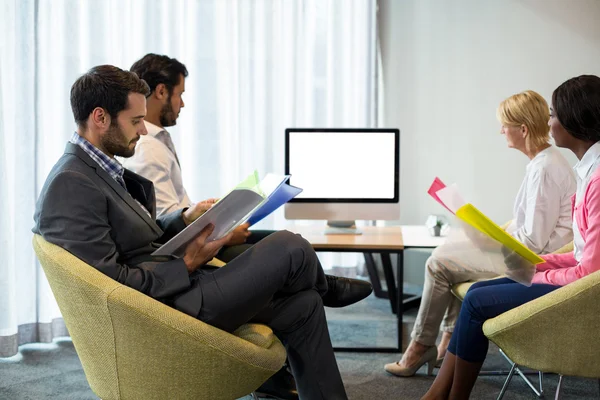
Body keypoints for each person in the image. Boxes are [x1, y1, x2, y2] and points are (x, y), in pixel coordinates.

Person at [32, 65, 366, 400]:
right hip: (166, 311)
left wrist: (184, 218)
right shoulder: (71, 183)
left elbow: (136, 236)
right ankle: (327, 287)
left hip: (179, 291)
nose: (143, 132)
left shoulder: (95, 169)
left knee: (304, 305)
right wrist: (187, 264)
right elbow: (111, 285)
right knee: (290, 246)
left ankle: (317, 303)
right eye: (135, 121)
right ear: (100, 117)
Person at [421, 75, 600, 399]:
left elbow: (589, 271)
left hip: (582, 290)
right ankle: (437, 393)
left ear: (575, 119)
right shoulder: (586, 170)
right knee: (477, 290)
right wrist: (543, 265)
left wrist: (543, 270)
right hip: (574, 276)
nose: (550, 123)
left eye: (554, 115)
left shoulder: (595, 179)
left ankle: (446, 395)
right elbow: (580, 251)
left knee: (474, 299)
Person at [385, 90, 576, 377]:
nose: (501, 131)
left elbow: (534, 243)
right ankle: (447, 342)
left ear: (522, 129)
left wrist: (488, 242)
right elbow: (529, 225)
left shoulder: (545, 169)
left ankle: (420, 346)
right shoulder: (543, 163)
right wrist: (489, 232)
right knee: (447, 253)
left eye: (505, 125)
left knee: (438, 265)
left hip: (532, 264)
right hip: (531, 254)